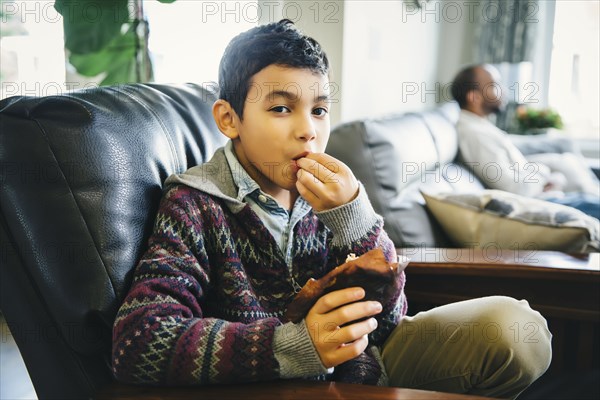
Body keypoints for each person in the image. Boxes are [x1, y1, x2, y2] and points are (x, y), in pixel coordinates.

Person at [112, 21, 551, 398]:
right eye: (282, 108)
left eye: (319, 110)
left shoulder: (332, 196)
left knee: (520, 331)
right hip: (273, 384)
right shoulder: (194, 204)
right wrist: (294, 345)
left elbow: (390, 320)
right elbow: (138, 342)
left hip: (365, 369)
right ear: (229, 119)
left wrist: (355, 217)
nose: (308, 131)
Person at [451, 64, 600, 219]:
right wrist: (544, 173)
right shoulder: (475, 135)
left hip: (546, 196)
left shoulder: (481, 126)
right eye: (494, 85)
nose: (503, 91)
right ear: (474, 97)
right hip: (540, 204)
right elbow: (515, 189)